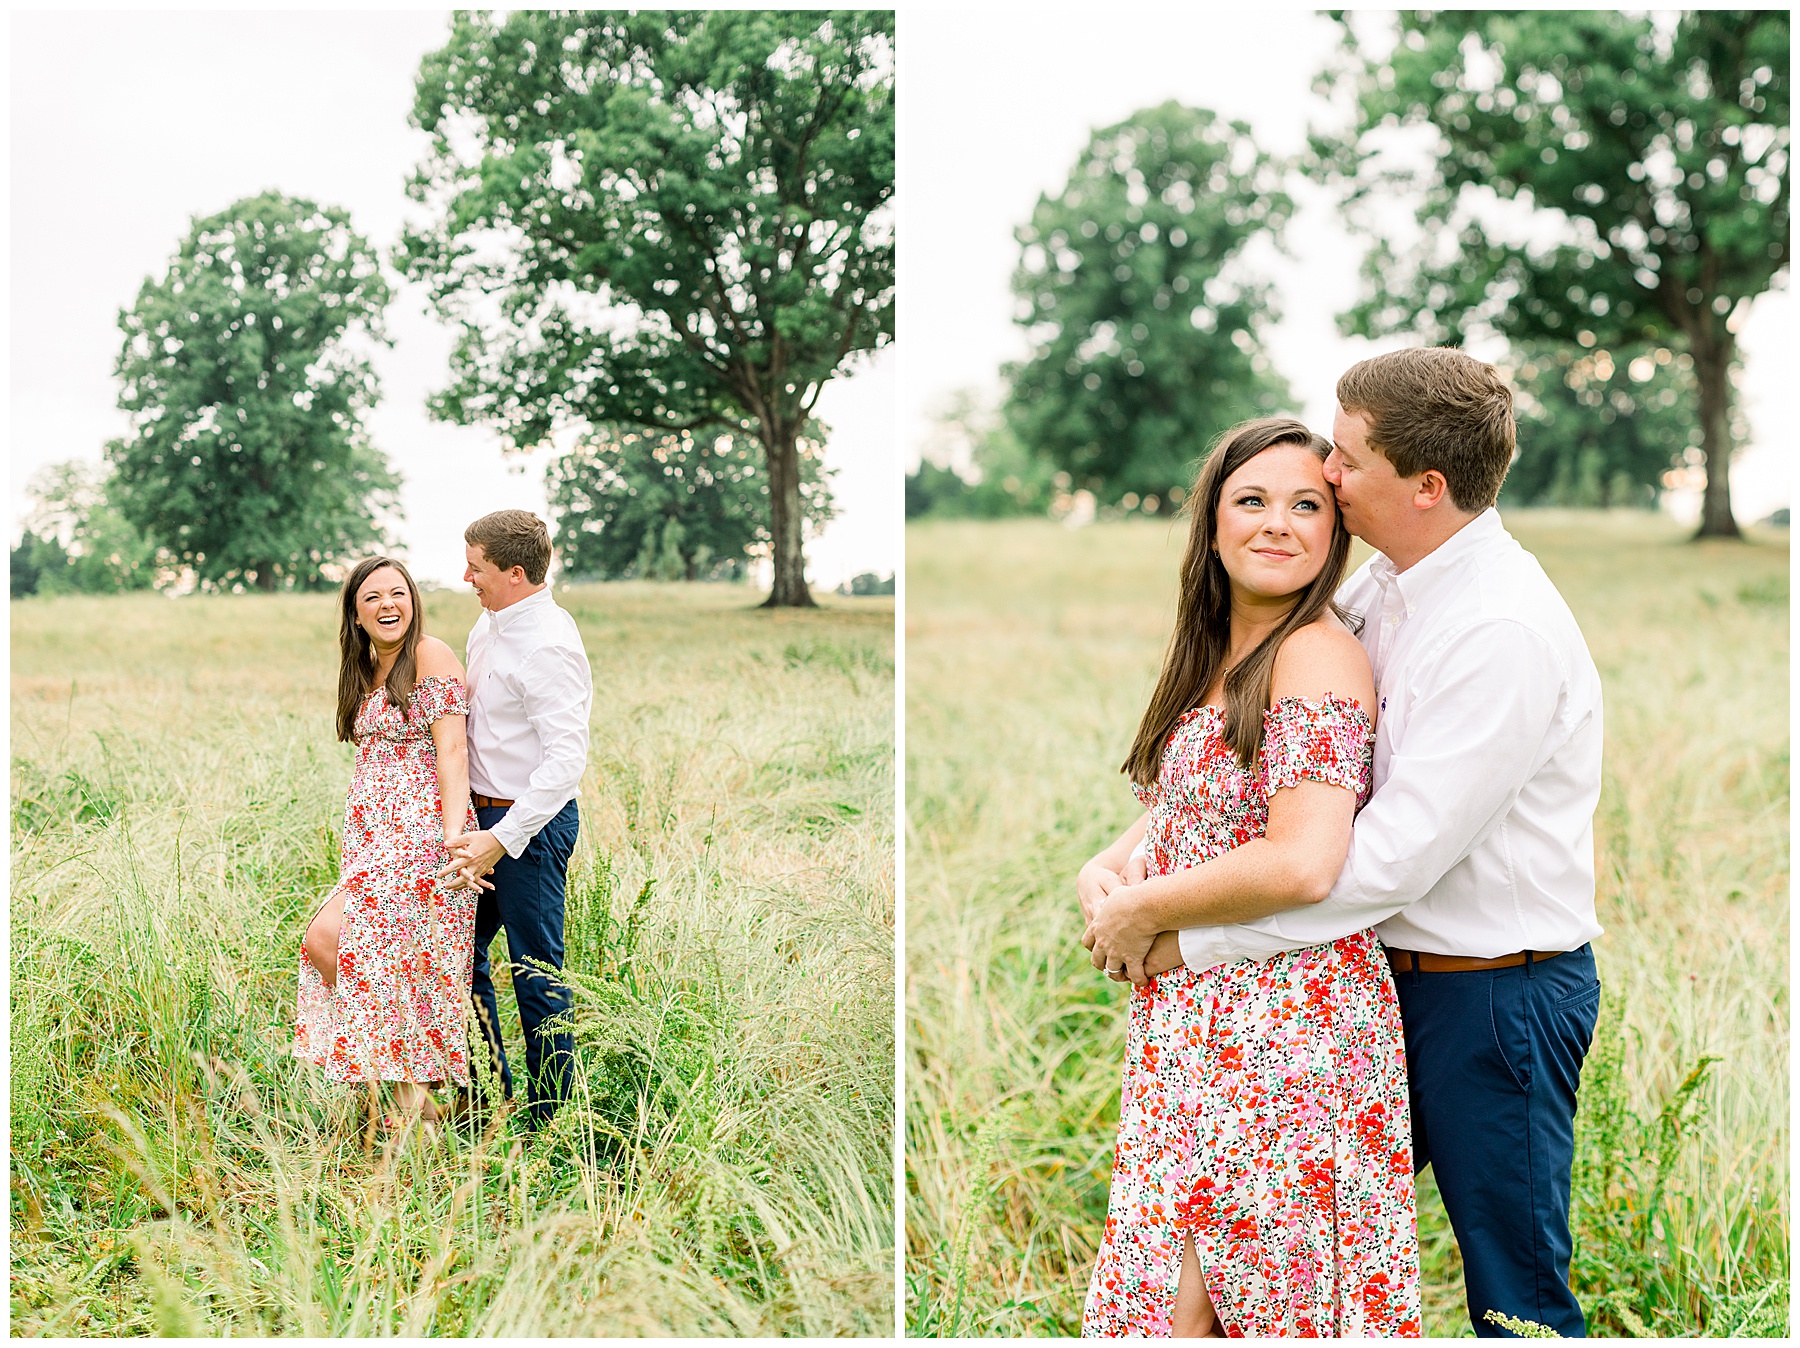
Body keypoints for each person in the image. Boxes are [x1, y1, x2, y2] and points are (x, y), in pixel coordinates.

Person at [1095, 348, 1605, 1338]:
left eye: (1346, 458)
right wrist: (1127, 861)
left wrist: (1179, 935)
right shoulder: (1387, 587)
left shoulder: (1500, 629)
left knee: (1517, 1294)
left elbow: (1376, 861)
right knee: (1288, 1247)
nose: (1327, 474)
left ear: (1426, 486)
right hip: (1357, 980)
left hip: (1492, 995)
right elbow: (1256, 772)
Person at [1077, 417, 1421, 1338]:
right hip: (1196, 1019)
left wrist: (1140, 910)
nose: (1278, 523)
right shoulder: (1221, 650)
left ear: (1335, 531)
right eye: (1253, 501)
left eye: (1306, 505)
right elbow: (1199, 802)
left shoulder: (1315, 652)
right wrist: (1103, 870)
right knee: (1169, 1296)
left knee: (1221, 1302)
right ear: (1213, 521)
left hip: (1285, 1027)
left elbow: (1304, 859)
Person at [295, 555, 486, 1128]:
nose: (387, 605)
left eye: (397, 593)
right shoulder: (362, 667)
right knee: (370, 962)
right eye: (372, 597)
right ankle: (415, 1108)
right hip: (372, 841)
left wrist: (454, 839)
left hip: (423, 836)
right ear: (355, 614)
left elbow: (453, 748)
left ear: (413, 601)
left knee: (339, 944)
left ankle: (411, 1109)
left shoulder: (430, 654)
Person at [438, 510, 592, 1131]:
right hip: (480, 819)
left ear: (515, 574)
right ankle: (488, 1094)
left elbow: (565, 762)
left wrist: (501, 839)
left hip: (529, 826)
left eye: (476, 567)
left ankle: (550, 1121)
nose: (466, 577)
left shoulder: (548, 644)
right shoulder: (489, 622)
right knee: (457, 956)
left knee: (536, 973)